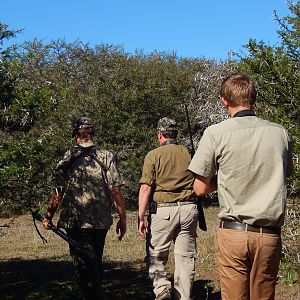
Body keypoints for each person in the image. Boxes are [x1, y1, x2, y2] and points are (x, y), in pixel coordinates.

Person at [188, 73, 294, 300]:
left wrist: (225, 178)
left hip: (234, 234)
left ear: (224, 100)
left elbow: (199, 188)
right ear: (253, 98)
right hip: (269, 236)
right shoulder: (280, 133)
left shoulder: (215, 133)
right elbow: (285, 175)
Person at [42, 117, 126, 300]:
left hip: (76, 222)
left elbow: (58, 191)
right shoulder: (106, 156)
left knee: (84, 268)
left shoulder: (67, 157)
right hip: (100, 222)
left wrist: (48, 216)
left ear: (75, 136)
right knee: (95, 261)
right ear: (92, 134)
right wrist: (122, 218)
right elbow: (116, 190)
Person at [138, 117, 198, 300]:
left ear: (159, 134)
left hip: (163, 211)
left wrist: (141, 216)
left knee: (156, 254)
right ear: (175, 134)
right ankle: (184, 297)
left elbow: (146, 187)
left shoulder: (153, 155)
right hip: (189, 209)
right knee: (185, 258)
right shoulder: (188, 153)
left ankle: (162, 288)